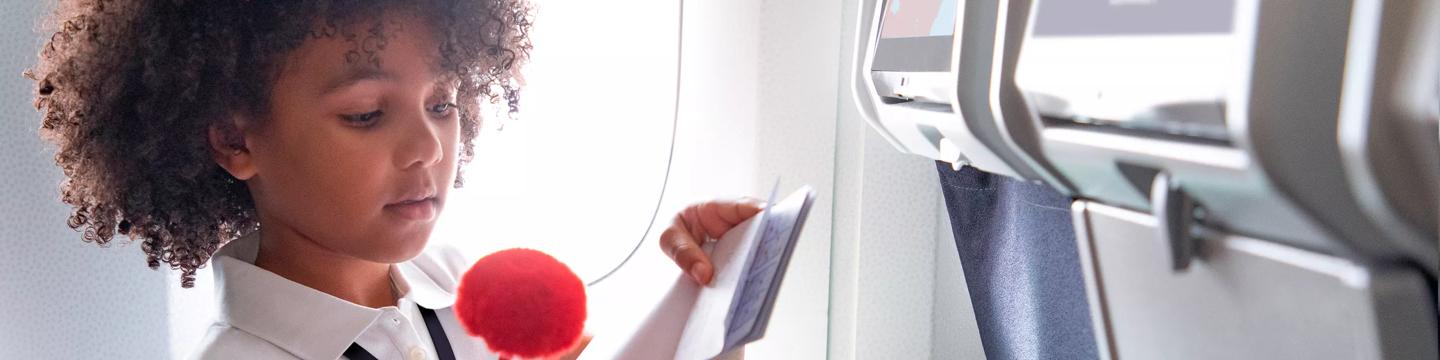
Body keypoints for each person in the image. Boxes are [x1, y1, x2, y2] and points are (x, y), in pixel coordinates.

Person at [28, 1, 756, 358]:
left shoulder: (448, 285)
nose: (426, 147)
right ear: (232, 139)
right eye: (368, 114)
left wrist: (701, 289)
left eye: (443, 103)